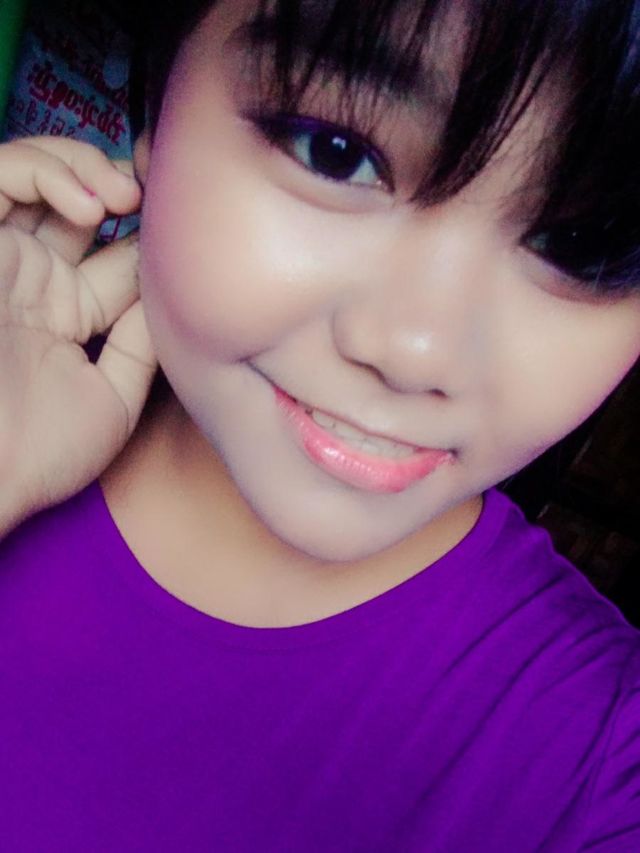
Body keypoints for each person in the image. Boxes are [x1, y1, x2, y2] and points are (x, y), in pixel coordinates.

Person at [1, 0, 640, 848]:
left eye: (583, 244)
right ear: (156, 98)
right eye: (335, 153)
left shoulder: (597, 767)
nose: (417, 351)